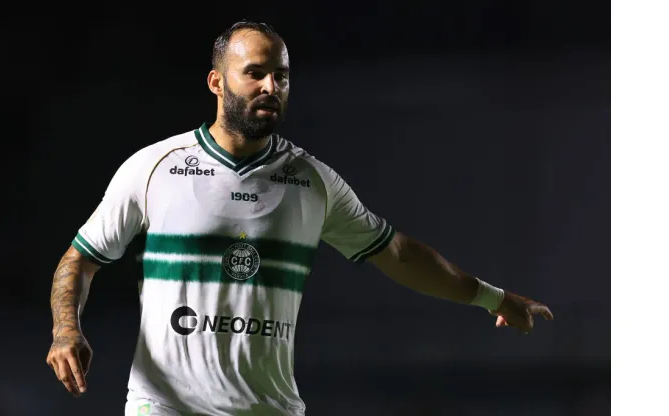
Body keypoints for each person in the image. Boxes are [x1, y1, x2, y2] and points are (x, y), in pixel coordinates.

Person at [45, 20, 554, 416]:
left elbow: (398, 254)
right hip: (165, 406)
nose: (271, 85)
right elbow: (79, 260)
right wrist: (67, 332)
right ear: (216, 82)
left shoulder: (312, 181)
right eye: (256, 73)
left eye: (281, 75)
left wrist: (493, 296)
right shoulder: (155, 167)